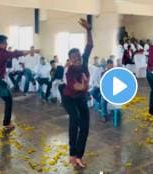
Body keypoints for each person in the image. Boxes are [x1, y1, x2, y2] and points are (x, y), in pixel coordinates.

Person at [62, 18, 93, 168]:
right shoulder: (69, 71)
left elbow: (90, 45)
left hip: (80, 98)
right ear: (70, 60)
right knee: (75, 119)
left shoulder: (84, 60)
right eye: (74, 58)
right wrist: (86, 85)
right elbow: (78, 87)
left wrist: (88, 29)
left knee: (85, 127)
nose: (78, 59)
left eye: (78, 56)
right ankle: (72, 153)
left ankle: (79, 156)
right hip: (69, 98)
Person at [0, 35, 29, 131]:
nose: (7, 45)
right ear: (0, 44)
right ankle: (6, 123)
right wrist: (28, 52)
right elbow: (14, 54)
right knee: (9, 100)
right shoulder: (2, 53)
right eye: (5, 43)